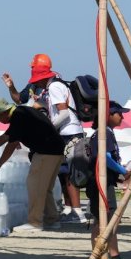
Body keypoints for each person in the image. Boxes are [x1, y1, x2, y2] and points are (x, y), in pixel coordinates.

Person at [0, 99, 65, 232]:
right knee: (45, 188)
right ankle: (51, 219)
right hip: (56, 151)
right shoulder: (22, 112)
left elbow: (10, 145)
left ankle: (35, 222)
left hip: (45, 152)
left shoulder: (19, 116)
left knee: (35, 185)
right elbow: (4, 138)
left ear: (5, 112)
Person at [21, 56, 89, 224]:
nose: (37, 85)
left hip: (69, 133)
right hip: (68, 132)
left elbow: (64, 113)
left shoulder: (55, 87)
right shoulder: (55, 86)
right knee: (65, 173)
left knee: (70, 174)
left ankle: (77, 212)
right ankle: (72, 209)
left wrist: (48, 127)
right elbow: (43, 104)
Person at [88, 102, 131, 259]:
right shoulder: (105, 133)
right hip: (101, 183)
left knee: (99, 221)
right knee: (110, 221)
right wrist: (123, 170)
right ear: (108, 114)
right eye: (119, 113)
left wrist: (118, 173)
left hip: (98, 182)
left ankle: (98, 258)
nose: (122, 117)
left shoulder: (102, 133)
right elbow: (105, 157)